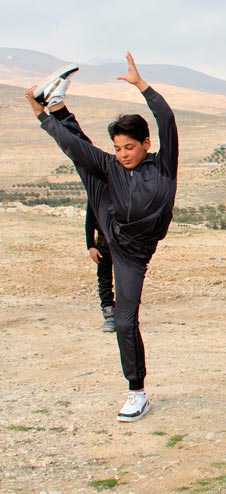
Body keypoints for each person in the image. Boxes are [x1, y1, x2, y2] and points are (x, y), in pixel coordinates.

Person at [26, 53, 178, 422]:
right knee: (82, 156)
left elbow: (167, 119)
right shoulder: (111, 166)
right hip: (114, 234)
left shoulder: (165, 165)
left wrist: (141, 85)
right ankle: (136, 392)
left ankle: (59, 105)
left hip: (137, 253)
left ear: (145, 143)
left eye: (129, 147)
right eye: (117, 148)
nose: (123, 154)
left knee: (86, 160)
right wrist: (39, 116)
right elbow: (80, 149)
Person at [86, 203, 115, 333]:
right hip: (103, 243)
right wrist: (91, 246)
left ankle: (126, 315)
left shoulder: (124, 188)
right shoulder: (97, 191)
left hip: (124, 242)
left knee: (125, 281)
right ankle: (109, 316)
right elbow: (90, 221)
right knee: (104, 280)